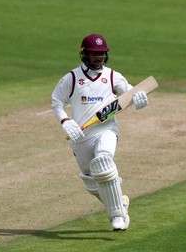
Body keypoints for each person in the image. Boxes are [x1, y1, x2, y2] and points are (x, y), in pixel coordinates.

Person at [51, 34, 148, 231]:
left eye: (101, 54)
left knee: (103, 163)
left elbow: (129, 92)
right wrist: (65, 121)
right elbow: (57, 102)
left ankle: (117, 216)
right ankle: (120, 201)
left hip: (106, 129)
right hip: (80, 136)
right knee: (92, 181)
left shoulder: (113, 76)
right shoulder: (71, 78)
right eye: (94, 54)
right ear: (84, 54)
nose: (98, 58)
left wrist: (139, 97)